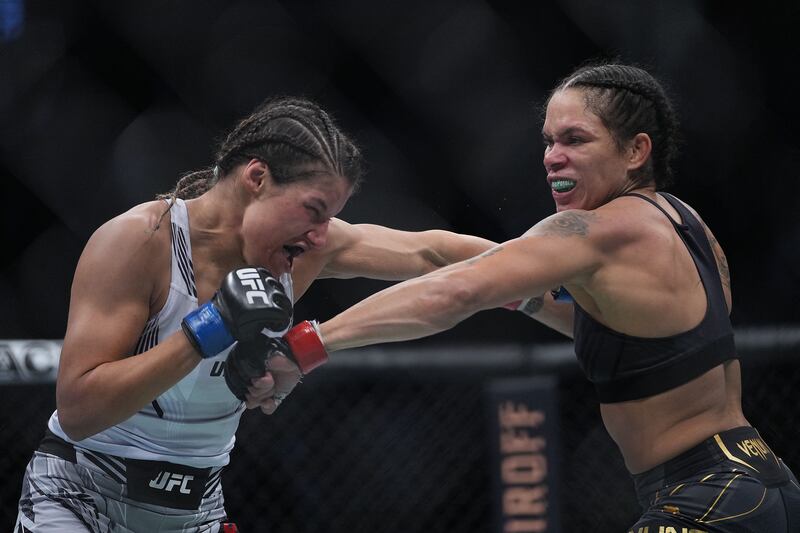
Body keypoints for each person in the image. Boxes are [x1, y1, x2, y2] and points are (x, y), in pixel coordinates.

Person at [270, 63, 800, 531]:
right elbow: (475, 267)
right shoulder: (684, 227)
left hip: (705, 496)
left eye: (575, 140)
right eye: (548, 141)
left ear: (637, 151)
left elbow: (454, 291)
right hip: (759, 483)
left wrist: (307, 346)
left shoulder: (596, 230)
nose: (553, 157)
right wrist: (349, 242)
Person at [13, 96, 501, 532]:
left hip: (193, 511)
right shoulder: (140, 241)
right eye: (313, 210)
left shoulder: (307, 250)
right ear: (257, 178)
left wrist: (550, 271)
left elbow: (430, 253)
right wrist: (205, 332)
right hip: (77, 497)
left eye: (329, 217)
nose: (319, 235)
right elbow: (78, 411)